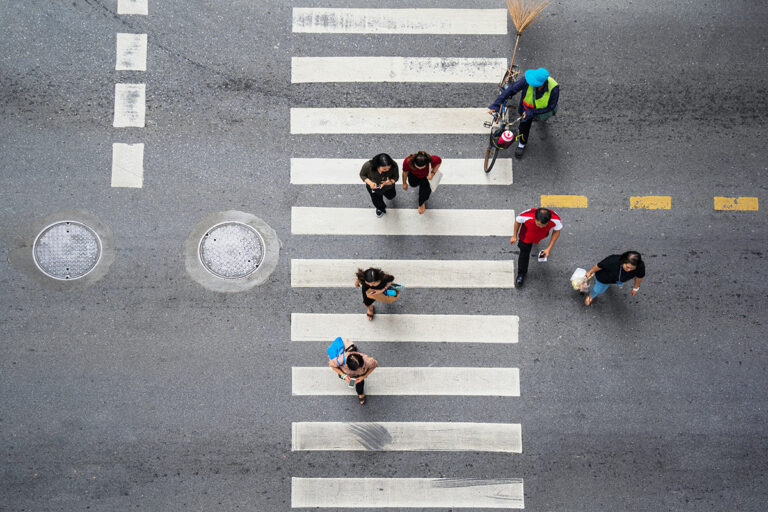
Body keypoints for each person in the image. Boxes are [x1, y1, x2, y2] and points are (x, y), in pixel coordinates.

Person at [488, 67, 559, 159]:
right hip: (526, 110)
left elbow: (551, 107)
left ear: (542, 84)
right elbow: (511, 89)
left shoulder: (554, 88)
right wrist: (496, 105)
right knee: (524, 127)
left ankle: (540, 118)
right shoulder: (527, 80)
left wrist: (532, 112)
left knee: (542, 118)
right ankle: (522, 143)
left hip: (541, 111)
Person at [509, 207, 562, 288]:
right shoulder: (526, 216)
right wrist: (514, 236)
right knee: (524, 253)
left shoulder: (556, 220)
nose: (540, 226)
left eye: (543, 225)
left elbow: (557, 231)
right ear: (535, 218)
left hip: (541, 235)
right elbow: (517, 221)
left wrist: (548, 248)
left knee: (537, 238)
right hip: (526, 235)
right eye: (538, 224)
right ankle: (521, 274)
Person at [328, 339, 378, 405]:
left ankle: (360, 394)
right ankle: (352, 348)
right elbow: (331, 364)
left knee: (360, 383)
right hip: (346, 374)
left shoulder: (369, 361)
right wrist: (343, 375)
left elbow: (374, 365)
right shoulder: (341, 359)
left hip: (359, 376)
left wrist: (363, 376)